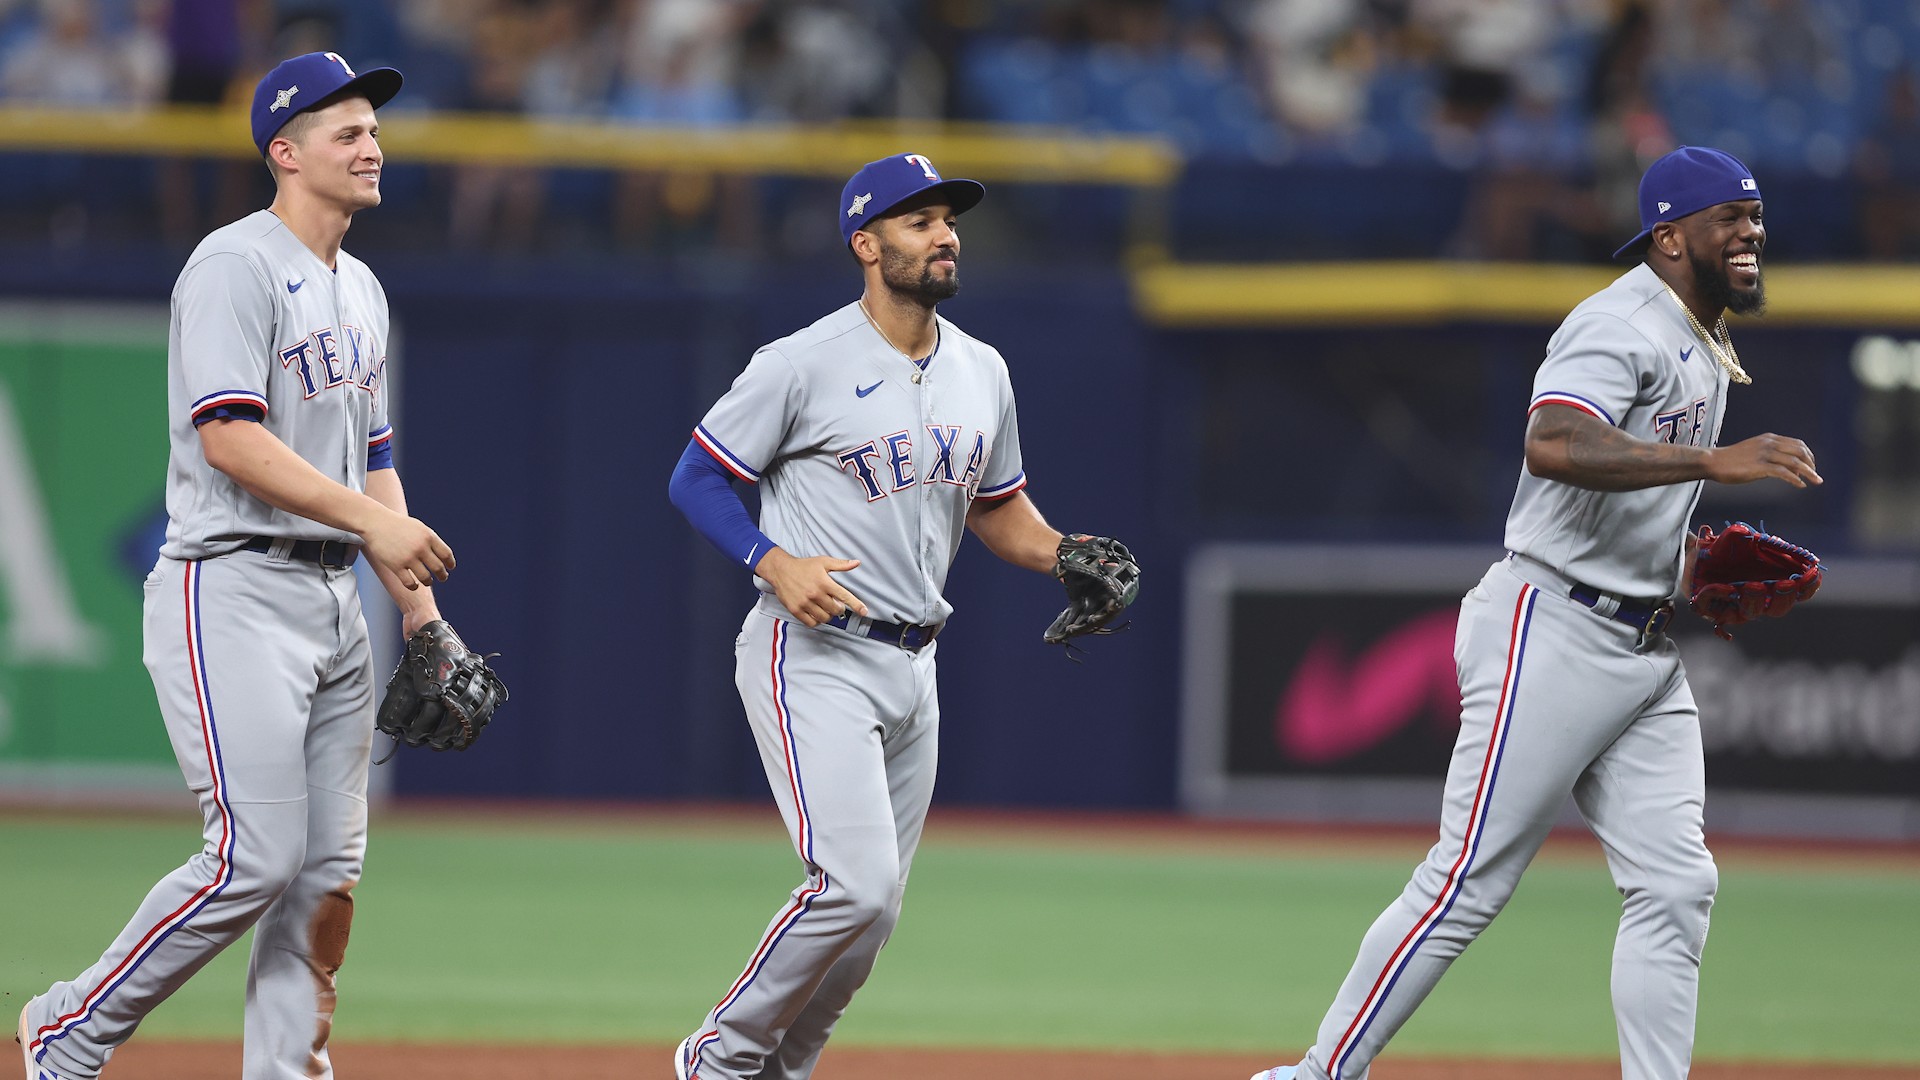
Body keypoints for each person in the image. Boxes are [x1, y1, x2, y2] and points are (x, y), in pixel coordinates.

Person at [1247, 145, 1822, 1080]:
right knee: (1467, 884)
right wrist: (1716, 465)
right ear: (1671, 237)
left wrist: (1686, 566)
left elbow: (1621, 500)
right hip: (1550, 626)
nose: (1752, 232)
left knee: (1678, 887)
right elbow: (1553, 442)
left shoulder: (1703, 337)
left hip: (1642, 643)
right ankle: (1314, 1077)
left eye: (1757, 216)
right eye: (1730, 217)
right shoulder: (1621, 320)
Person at [17, 51, 456, 1080]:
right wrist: (376, 532)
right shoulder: (234, 264)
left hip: (335, 598)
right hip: (232, 585)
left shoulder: (364, 291)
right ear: (284, 150)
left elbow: (375, 465)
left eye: (375, 130)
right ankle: (69, 1028)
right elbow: (233, 440)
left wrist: (426, 618)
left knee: (324, 879)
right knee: (252, 859)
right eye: (346, 132)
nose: (371, 145)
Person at [666, 153, 1086, 1080]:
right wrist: (771, 560)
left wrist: (1066, 554)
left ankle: (784, 1068)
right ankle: (717, 1058)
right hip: (813, 650)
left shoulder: (983, 368)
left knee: (877, 912)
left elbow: (998, 510)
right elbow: (696, 477)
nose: (944, 236)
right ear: (867, 243)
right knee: (850, 888)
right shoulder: (802, 363)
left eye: (948, 219)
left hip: (915, 667)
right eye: (918, 221)